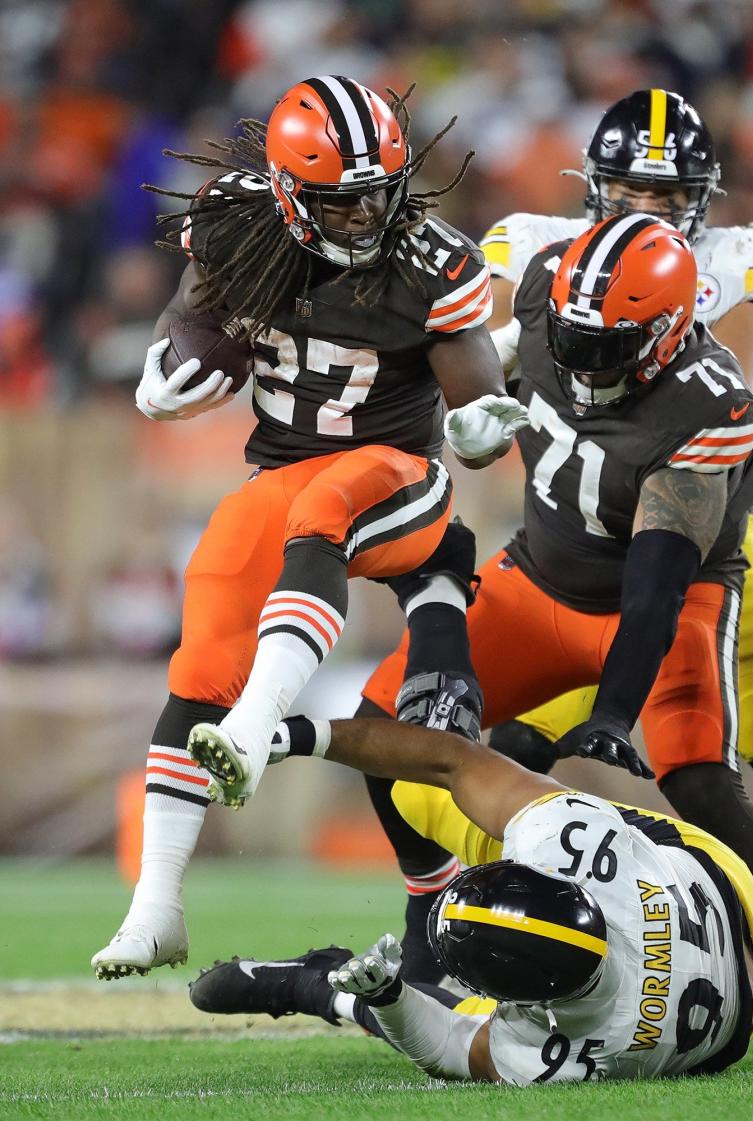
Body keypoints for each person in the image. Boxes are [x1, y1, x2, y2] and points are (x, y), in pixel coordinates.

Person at [273, 211, 753, 1062]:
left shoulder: (712, 401)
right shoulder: (551, 290)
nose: (583, 361)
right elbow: (475, 358)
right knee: (389, 728)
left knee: (698, 779)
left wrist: (616, 713)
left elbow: (656, 585)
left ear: (668, 334)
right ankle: (427, 920)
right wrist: (470, 407)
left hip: (672, 597)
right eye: (573, 338)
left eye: (606, 346)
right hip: (539, 582)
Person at [476, 88, 753, 1034]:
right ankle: (489, 942)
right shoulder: (533, 248)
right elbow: (485, 367)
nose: (645, 207)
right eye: (626, 188)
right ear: (593, 186)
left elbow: (743, 395)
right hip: (575, 553)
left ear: (701, 195)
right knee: (506, 741)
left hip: (703, 541)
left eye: (666, 190)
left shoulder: (730, 260)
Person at [91, 76, 527, 981]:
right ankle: (156, 903)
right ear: (290, 192)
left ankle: (254, 728)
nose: (369, 213)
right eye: (345, 198)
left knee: (322, 509)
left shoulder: (430, 260)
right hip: (282, 472)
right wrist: (167, 366)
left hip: (399, 478)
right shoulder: (239, 223)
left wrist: (483, 423)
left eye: (381, 191)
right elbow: (193, 317)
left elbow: (478, 400)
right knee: (210, 607)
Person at [189, 715, 753, 1083]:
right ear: (556, 881)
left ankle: (312, 983)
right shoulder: (582, 839)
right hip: (716, 889)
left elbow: (449, 1046)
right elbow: (454, 762)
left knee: (418, 802)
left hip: (721, 968)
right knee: (433, 794)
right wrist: (299, 738)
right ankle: (355, 975)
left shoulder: (555, 1048)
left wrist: (385, 998)